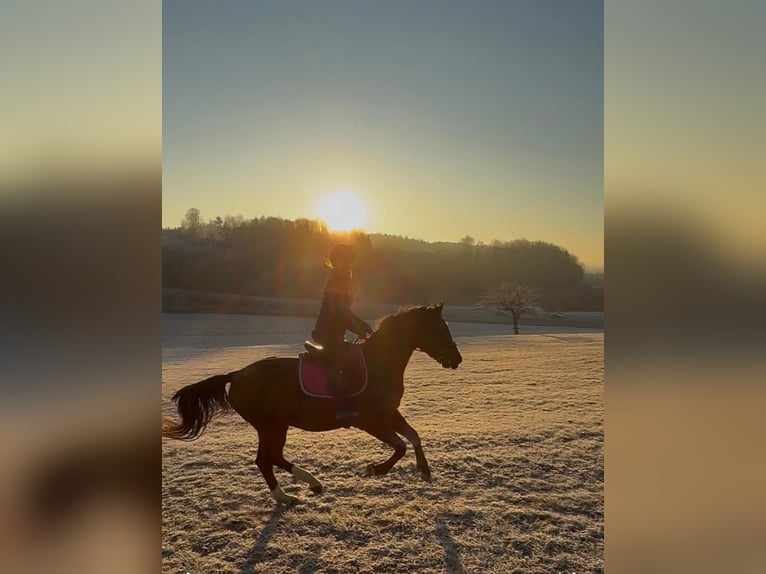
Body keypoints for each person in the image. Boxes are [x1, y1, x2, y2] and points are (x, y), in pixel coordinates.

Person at [311, 243, 374, 424]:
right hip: (327, 332)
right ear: (335, 261)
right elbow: (339, 313)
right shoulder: (336, 280)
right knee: (338, 364)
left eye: (350, 261)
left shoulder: (344, 279)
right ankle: (340, 409)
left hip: (336, 332)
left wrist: (365, 326)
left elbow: (346, 311)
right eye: (345, 260)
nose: (348, 264)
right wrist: (358, 329)